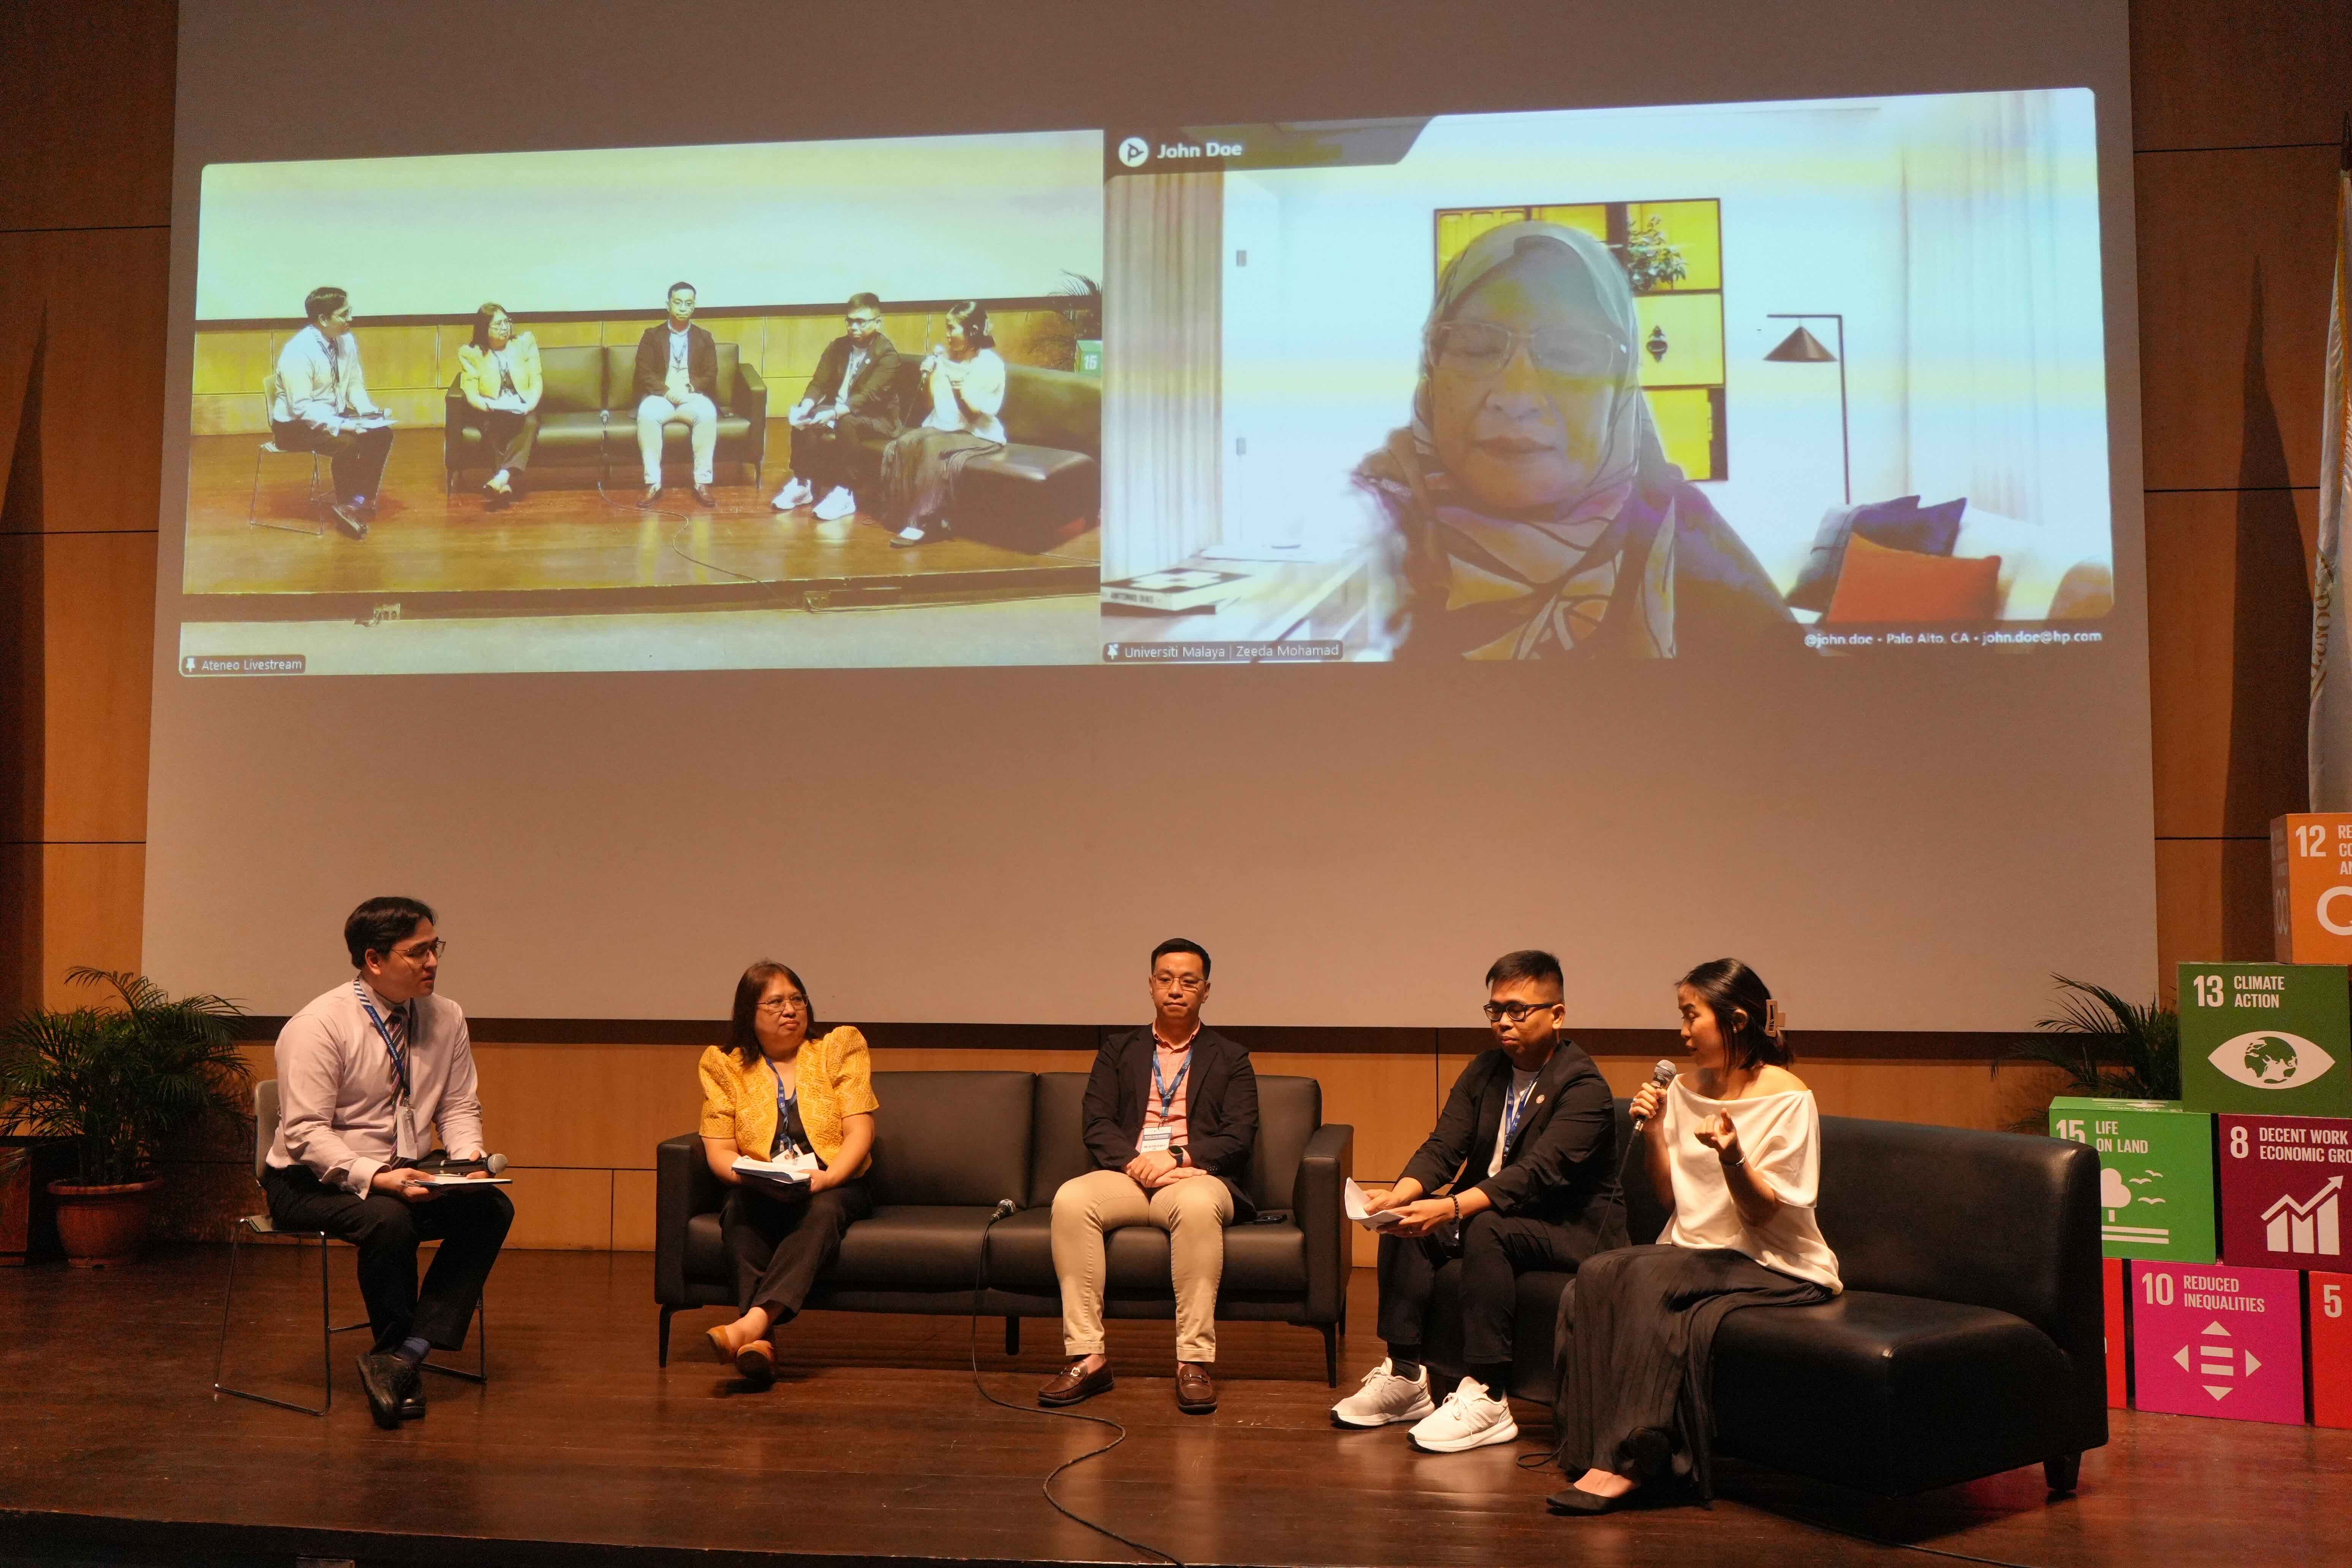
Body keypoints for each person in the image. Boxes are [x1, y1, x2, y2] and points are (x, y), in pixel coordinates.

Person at [1351, 221, 1794, 659]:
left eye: (1568, 354)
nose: (1516, 396)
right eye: (1477, 348)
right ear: (1433, 367)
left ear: (1620, 385)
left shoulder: (1687, 541)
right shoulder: (1362, 532)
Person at [1546, 959, 1840, 1516]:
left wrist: (1733, 1157)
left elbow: (1761, 1216)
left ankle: (1635, 1460)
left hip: (1772, 1259)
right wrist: (1657, 1132)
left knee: (1648, 1281)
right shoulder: (1683, 1089)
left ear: (1734, 1020)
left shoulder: (1788, 1098)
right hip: (1695, 1250)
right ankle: (1588, 1448)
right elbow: (1670, 1200)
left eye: (1691, 1016)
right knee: (1596, 1274)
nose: (1682, 1033)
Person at [1334, 948, 1625, 1451]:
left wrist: (1449, 1208)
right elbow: (1444, 1146)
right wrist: (1401, 1195)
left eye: (1519, 1010)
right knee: (1405, 1221)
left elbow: (1537, 1176)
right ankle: (1407, 1376)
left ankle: (1489, 1396)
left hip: (1573, 1229)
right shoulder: (1487, 1070)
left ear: (1557, 1015)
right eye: (1495, 1010)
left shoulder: (1583, 1086)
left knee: (1484, 1226)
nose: (1504, 1023)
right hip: (1497, 1214)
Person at [263, 897, 512, 1430]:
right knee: (389, 1220)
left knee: (489, 1207)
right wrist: (377, 1177)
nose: (433, 962)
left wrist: (467, 1163)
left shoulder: (446, 1017)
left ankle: (402, 1359)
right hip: (310, 1183)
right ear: (374, 960)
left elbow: (459, 1105)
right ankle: (399, 1358)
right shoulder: (319, 1026)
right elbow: (306, 1134)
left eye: (435, 947)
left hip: (408, 1169)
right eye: (418, 951)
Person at [1038, 938, 1256, 1415]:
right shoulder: (1118, 1050)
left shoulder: (1231, 1057)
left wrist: (1176, 1157)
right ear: (1151, 985)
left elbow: (1239, 1136)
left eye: (1189, 981)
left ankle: (1193, 1362)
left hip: (1194, 1177)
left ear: (1206, 991)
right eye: (1166, 979)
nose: (1176, 989)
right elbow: (1096, 1123)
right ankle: (1088, 1357)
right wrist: (1135, 1162)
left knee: (1198, 1207)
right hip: (1129, 1176)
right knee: (1073, 1200)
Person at [695, 961, 878, 1389]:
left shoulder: (838, 1049)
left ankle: (751, 1326)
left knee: (823, 1211)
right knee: (739, 1209)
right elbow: (719, 1150)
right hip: (764, 1185)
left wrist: (829, 1178)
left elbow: (860, 1130)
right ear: (748, 1014)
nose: (790, 1010)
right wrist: (749, 1179)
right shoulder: (726, 1067)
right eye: (775, 1002)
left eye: (797, 999)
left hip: (835, 1184)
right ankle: (763, 1345)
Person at [876, 301, 1005, 547]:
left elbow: (974, 417)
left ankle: (923, 524)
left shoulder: (990, 365)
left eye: (952, 329)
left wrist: (960, 391)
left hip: (977, 432)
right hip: (943, 426)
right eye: (947, 328)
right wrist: (930, 376)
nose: (947, 335)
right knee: (904, 443)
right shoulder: (943, 358)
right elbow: (930, 404)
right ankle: (901, 513)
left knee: (933, 450)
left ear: (973, 331)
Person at [270, 285, 395, 538]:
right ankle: (347, 506)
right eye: (344, 314)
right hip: (294, 426)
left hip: (332, 414)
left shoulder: (346, 340)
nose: (350, 319)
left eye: (350, 312)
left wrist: (369, 413)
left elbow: (354, 384)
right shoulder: (298, 351)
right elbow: (301, 408)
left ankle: (358, 500)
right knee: (347, 443)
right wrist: (345, 425)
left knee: (382, 434)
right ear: (323, 320)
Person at [774, 292, 902, 521]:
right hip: (841, 412)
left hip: (878, 419)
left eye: (861, 321)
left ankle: (846, 492)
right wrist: (806, 405)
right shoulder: (838, 347)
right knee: (808, 416)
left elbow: (868, 397)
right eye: (850, 321)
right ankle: (803, 484)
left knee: (847, 421)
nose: (854, 327)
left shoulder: (887, 354)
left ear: (878, 322)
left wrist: (833, 413)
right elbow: (818, 382)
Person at [634, 280, 720, 507]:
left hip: (691, 395)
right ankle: (653, 483)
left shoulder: (704, 338)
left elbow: (711, 373)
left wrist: (690, 389)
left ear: (694, 307)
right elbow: (644, 371)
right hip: (661, 396)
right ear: (668, 305)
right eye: (678, 303)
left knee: (708, 414)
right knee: (647, 415)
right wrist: (666, 391)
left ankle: (702, 482)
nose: (683, 308)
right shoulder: (652, 336)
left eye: (688, 304)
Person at [455, 302, 542, 510]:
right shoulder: (472, 354)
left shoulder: (524, 344)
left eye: (507, 322)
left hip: (521, 407)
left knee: (530, 422)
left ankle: (501, 478)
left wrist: (530, 404)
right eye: (498, 324)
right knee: (494, 426)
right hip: (492, 410)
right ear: (484, 329)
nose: (505, 328)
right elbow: (471, 392)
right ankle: (505, 483)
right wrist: (489, 406)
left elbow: (537, 379)